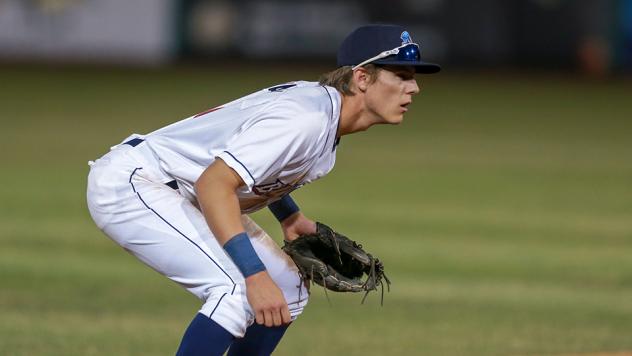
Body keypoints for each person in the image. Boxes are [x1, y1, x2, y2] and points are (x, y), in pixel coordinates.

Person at [86, 24, 440, 356]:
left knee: (287, 288)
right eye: (403, 76)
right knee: (239, 289)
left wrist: (291, 217)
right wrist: (254, 275)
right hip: (136, 185)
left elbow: (251, 166)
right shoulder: (306, 120)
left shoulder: (323, 115)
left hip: (181, 188)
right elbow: (215, 184)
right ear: (362, 78)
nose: (414, 88)